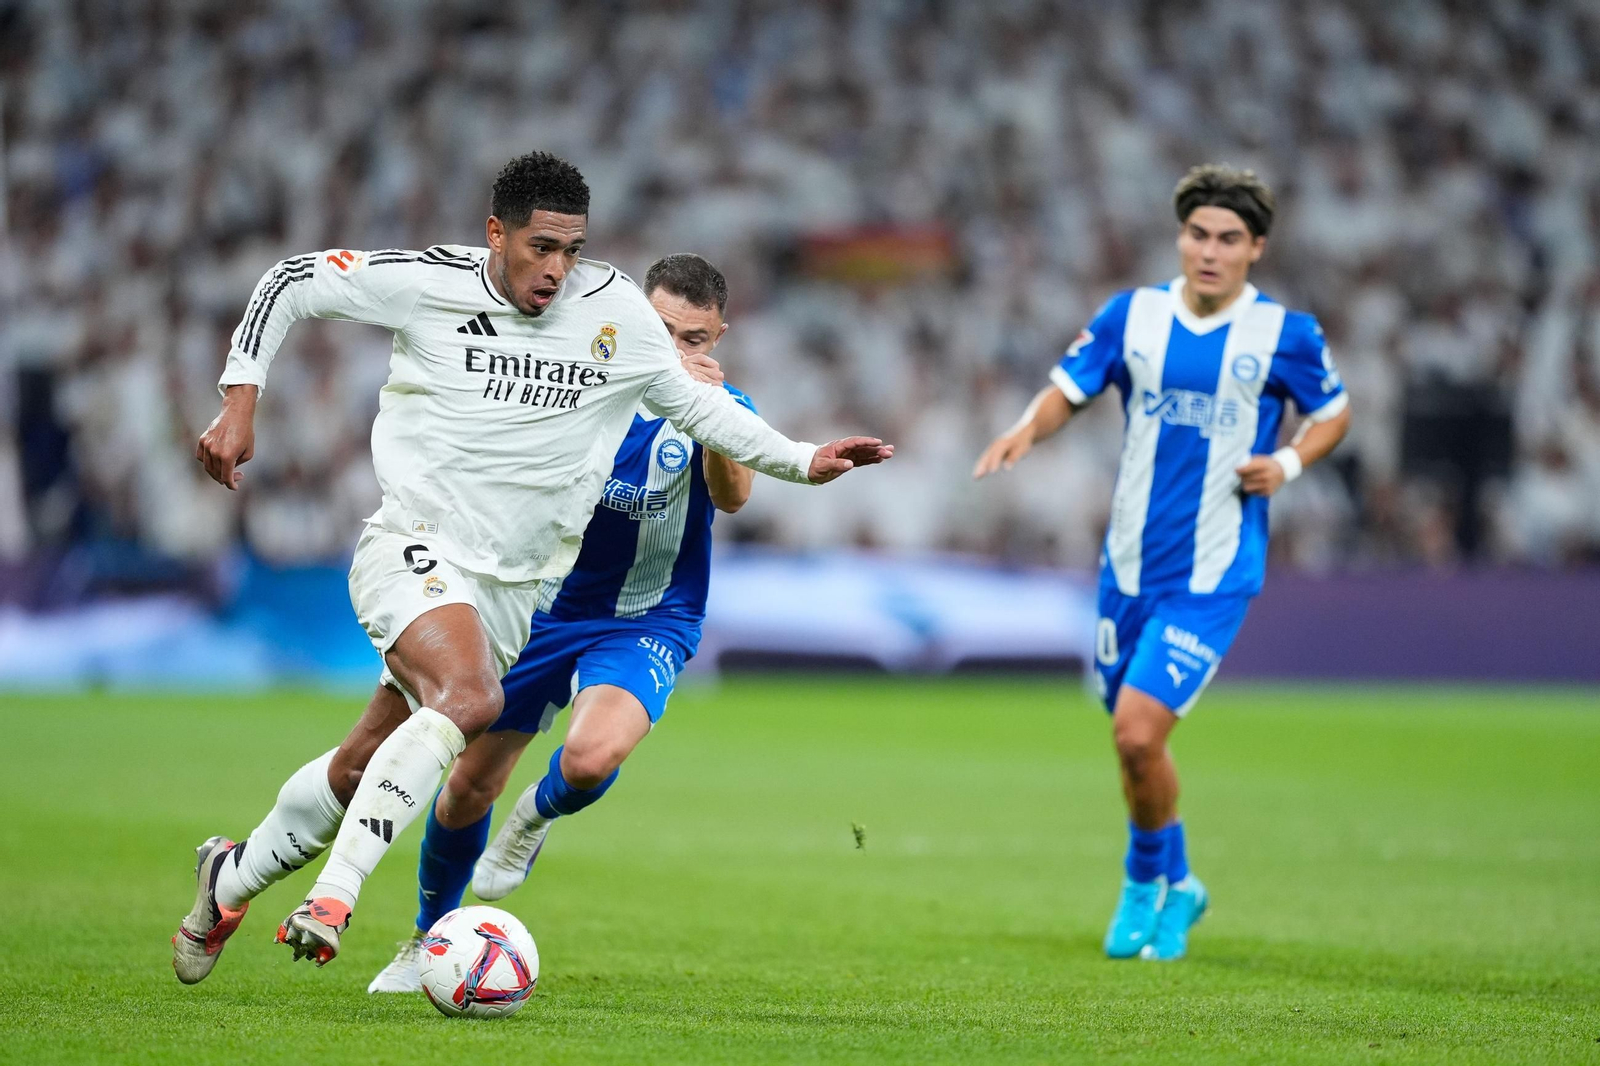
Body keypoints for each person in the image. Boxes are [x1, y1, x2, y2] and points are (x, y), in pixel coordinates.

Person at [174, 152, 893, 983]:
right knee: (470, 701)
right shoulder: (428, 283)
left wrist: (808, 461)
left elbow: (701, 408)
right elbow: (293, 278)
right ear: (496, 234)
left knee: (363, 760)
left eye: (571, 250)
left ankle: (228, 878)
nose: (556, 269)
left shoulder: (612, 311)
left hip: (518, 591)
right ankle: (336, 896)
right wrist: (239, 398)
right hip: (416, 545)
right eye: (541, 247)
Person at [973, 164, 1351, 961]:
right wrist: (1022, 432)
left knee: (1138, 734)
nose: (1208, 251)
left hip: (1213, 574)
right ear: (1181, 237)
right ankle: (1182, 884)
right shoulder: (1132, 315)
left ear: (1257, 249)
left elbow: (1333, 413)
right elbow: (1068, 389)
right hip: (1128, 566)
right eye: (1197, 234)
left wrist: (1285, 465)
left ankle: (1143, 882)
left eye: (1227, 239)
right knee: (1131, 743)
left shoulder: (1286, 335)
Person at [365, 252, 750, 993]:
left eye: (694, 339)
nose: (676, 351)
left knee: (589, 758)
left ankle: (533, 821)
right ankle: (426, 941)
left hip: (645, 618)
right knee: (467, 785)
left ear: (718, 338)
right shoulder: (570, 382)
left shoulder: (719, 406)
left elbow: (733, 499)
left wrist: (716, 416)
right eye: (662, 330)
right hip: (540, 608)